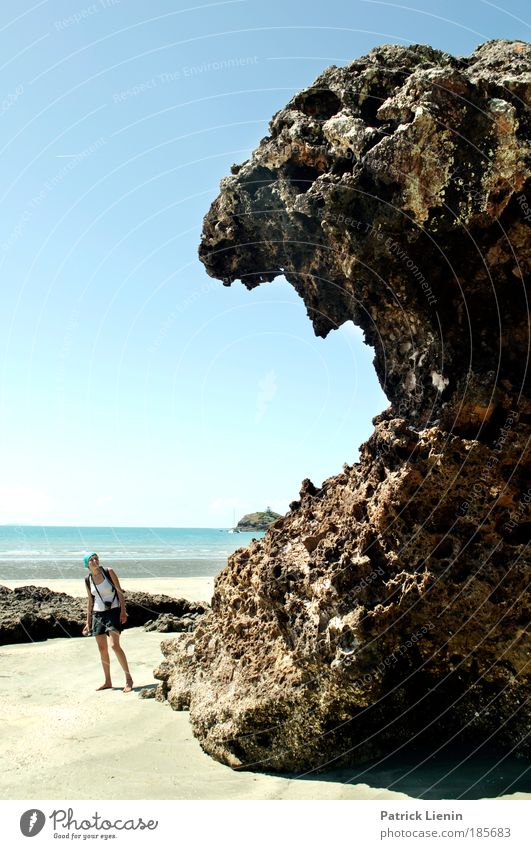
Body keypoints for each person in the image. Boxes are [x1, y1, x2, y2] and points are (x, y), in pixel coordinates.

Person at [82, 552, 134, 693]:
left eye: (96, 558)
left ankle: (128, 679)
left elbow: (120, 592)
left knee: (114, 645)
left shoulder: (108, 572)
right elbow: (90, 601)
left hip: (113, 611)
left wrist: (123, 611)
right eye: (91, 559)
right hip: (98, 614)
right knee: (102, 649)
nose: (95, 560)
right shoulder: (88, 579)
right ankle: (108, 681)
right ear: (87, 564)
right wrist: (88, 621)